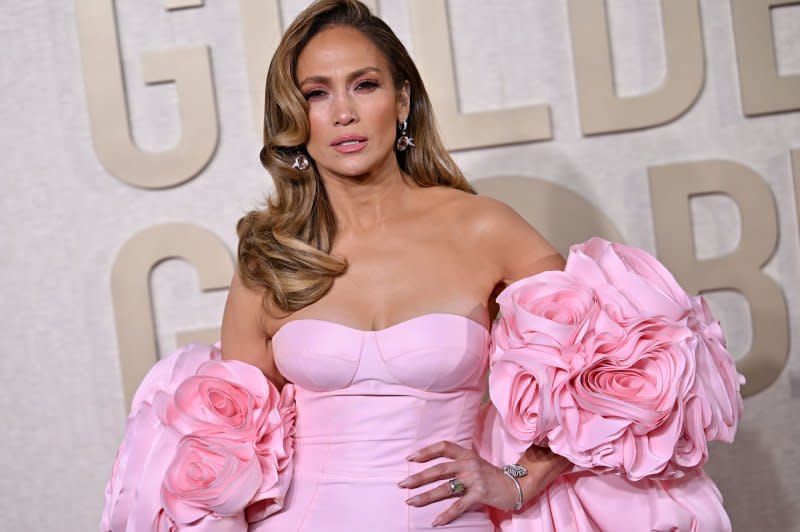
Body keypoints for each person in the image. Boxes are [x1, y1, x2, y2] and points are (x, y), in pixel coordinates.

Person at [101, 1, 743, 530]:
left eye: (366, 85)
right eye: (317, 93)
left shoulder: (483, 227)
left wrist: (514, 481)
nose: (344, 113)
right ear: (296, 118)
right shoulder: (272, 258)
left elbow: (606, 392)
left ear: (402, 101)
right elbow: (228, 447)